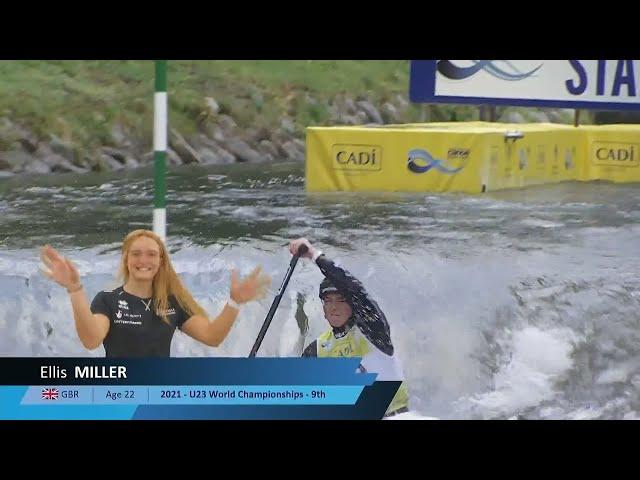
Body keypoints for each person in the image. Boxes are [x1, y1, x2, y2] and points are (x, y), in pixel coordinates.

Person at [40, 229, 271, 357]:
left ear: (161, 262)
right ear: (126, 259)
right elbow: (91, 341)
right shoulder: (107, 300)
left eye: (151, 254)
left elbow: (212, 337)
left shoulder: (172, 302)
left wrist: (234, 303)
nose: (143, 260)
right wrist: (75, 289)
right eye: (136, 254)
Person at [291, 237, 410, 417]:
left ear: (353, 305)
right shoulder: (317, 349)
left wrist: (314, 255)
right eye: (328, 301)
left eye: (341, 300)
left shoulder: (373, 331)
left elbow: (355, 290)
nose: (333, 307)